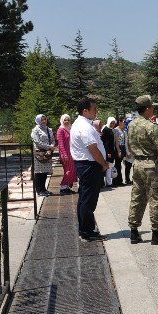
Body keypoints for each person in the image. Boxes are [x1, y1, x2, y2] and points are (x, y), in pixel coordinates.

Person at [126, 95, 158, 245]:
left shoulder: (131, 125)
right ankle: (156, 233)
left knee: (137, 197)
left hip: (138, 164)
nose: (153, 109)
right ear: (147, 109)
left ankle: (134, 232)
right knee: (156, 198)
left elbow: (129, 146)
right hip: (151, 166)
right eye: (152, 107)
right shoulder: (151, 126)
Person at [70, 97, 109, 241]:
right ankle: (86, 232)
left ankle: (86, 229)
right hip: (89, 165)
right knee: (88, 199)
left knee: (85, 199)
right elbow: (93, 149)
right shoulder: (84, 127)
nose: (96, 111)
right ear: (85, 111)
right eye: (94, 109)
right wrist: (104, 164)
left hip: (86, 164)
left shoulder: (83, 124)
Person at [32, 114, 56, 197]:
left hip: (47, 153)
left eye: (45, 119)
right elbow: (37, 141)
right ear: (38, 120)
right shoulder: (35, 130)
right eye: (42, 119)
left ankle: (44, 189)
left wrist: (50, 148)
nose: (44, 121)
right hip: (40, 153)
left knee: (45, 172)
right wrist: (49, 147)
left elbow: (52, 140)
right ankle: (39, 190)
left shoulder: (48, 129)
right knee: (39, 173)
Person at [57, 114, 77, 195]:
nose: (67, 121)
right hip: (65, 154)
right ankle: (63, 187)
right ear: (62, 120)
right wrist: (64, 154)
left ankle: (67, 187)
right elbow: (60, 144)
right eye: (65, 120)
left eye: (68, 119)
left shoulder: (69, 129)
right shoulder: (60, 130)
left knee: (71, 170)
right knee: (69, 170)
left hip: (71, 153)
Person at [101, 117, 117, 187]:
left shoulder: (110, 130)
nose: (112, 124)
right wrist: (107, 152)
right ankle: (108, 183)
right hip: (108, 152)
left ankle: (108, 182)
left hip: (111, 151)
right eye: (111, 123)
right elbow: (105, 143)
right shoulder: (106, 130)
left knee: (109, 167)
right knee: (107, 167)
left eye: (113, 123)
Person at [113, 118, 126, 185]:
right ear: (119, 122)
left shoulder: (123, 130)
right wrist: (118, 151)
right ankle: (117, 181)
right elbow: (116, 142)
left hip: (123, 147)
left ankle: (119, 180)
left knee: (120, 165)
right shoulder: (116, 130)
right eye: (123, 121)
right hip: (119, 148)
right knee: (118, 165)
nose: (124, 122)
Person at [123, 119, 134, 184]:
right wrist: (128, 153)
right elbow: (126, 144)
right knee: (128, 167)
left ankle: (134, 179)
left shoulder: (133, 131)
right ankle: (127, 179)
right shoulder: (125, 132)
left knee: (134, 167)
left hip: (134, 152)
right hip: (129, 153)